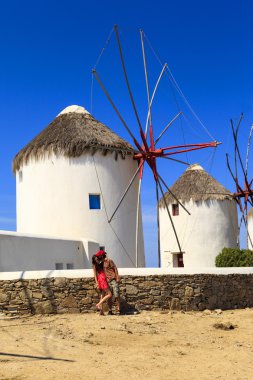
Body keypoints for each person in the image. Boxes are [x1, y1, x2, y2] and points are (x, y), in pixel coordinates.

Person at [92, 251, 112, 315]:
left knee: (102, 294)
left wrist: (97, 282)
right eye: (96, 259)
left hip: (101, 279)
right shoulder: (96, 265)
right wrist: (97, 283)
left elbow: (105, 258)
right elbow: (95, 275)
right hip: (102, 279)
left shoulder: (100, 263)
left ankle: (101, 311)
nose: (97, 260)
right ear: (94, 260)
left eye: (97, 259)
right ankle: (99, 304)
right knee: (109, 294)